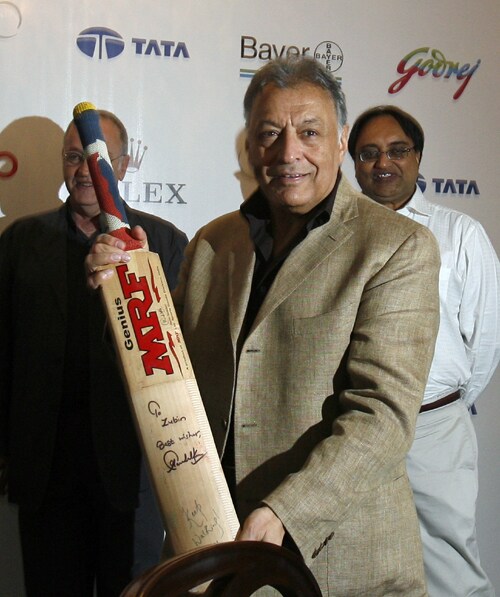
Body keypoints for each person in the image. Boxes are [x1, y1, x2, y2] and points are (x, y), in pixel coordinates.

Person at [86, 57, 441, 596]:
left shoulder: (396, 247)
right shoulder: (213, 242)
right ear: (250, 146)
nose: (288, 152)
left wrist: (285, 512)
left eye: (310, 132)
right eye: (270, 134)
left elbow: (382, 416)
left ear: (341, 140)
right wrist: (124, 294)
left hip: (336, 562)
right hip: (212, 551)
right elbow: (162, 373)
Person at [0, 109, 188, 596]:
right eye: (73, 157)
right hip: (46, 474)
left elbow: (181, 357)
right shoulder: (20, 241)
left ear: (123, 165)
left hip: (137, 479)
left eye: (98, 158)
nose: (85, 170)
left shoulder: (164, 243)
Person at [348, 105, 499, 597]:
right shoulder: (334, 236)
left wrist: (435, 400)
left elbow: (485, 341)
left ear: (418, 157)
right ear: (353, 164)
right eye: (368, 153)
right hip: (353, 427)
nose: (382, 163)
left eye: (397, 150)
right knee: (364, 565)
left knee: (450, 566)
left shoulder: (460, 234)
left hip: (432, 427)